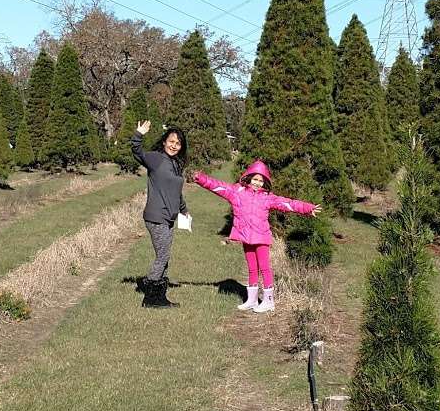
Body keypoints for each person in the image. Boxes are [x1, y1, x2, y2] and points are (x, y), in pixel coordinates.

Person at [191, 159, 322, 313]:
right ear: (248, 178)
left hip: (261, 238)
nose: (257, 183)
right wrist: (200, 178)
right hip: (247, 237)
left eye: (261, 180)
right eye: (255, 179)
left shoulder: (267, 197)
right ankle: (252, 300)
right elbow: (217, 186)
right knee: (252, 269)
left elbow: (288, 203)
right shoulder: (236, 192)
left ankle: (268, 301)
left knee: (265, 268)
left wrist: (307, 208)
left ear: (265, 183)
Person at [131, 120, 189, 309]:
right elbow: (137, 152)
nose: (174, 146)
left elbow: (176, 192)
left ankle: (160, 297)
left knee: (164, 256)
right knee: (162, 256)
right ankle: (150, 296)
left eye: (178, 143)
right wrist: (139, 134)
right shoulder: (156, 159)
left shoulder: (175, 164)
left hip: (169, 218)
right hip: (156, 216)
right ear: (164, 142)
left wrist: (184, 210)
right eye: (171, 141)